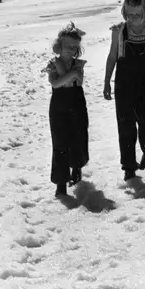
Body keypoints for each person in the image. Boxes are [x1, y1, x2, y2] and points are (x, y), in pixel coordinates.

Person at [103, 0, 145, 180]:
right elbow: (112, 56)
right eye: (129, 14)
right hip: (124, 82)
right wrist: (107, 82)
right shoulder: (119, 31)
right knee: (125, 124)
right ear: (124, 11)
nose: (133, 18)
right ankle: (128, 166)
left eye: (137, 14)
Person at [45, 22, 90, 197]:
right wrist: (68, 75)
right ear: (59, 46)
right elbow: (55, 83)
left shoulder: (78, 64)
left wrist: (66, 73)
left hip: (76, 101)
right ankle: (60, 182)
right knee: (60, 142)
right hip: (58, 104)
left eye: (74, 47)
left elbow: (76, 80)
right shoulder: (53, 64)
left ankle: (77, 167)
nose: (71, 50)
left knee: (78, 137)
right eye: (68, 46)